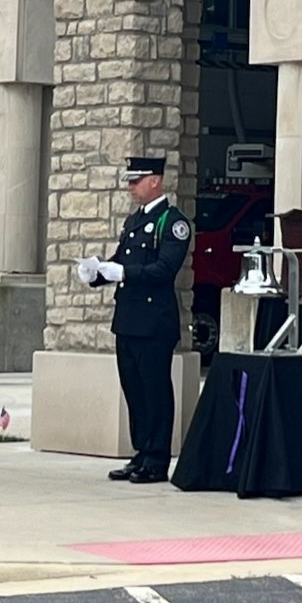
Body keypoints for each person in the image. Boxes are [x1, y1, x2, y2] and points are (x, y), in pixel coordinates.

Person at [78, 156, 190, 485]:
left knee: (154, 390)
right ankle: (140, 451)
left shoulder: (173, 222)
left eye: (136, 181)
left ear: (155, 180)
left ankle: (156, 459)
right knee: (134, 390)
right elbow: (119, 262)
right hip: (128, 318)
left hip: (154, 321)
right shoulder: (134, 221)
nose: (131, 187)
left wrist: (124, 272)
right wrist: (95, 274)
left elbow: (164, 270)